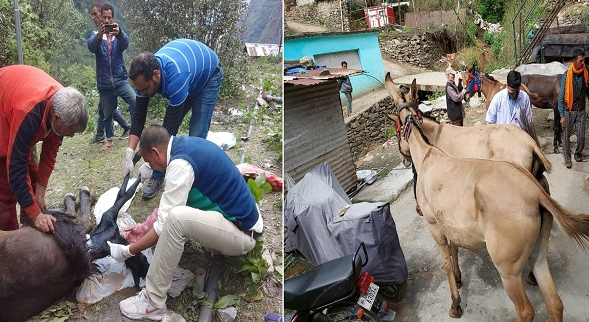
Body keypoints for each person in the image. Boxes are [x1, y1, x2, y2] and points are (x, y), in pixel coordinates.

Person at [108, 124, 262, 320]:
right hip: (242, 219)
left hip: (244, 235)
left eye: (149, 162)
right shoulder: (184, 146)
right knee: (172, 214)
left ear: (156, 152)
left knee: (175, 220)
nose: (152, 169)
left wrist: (129, 250)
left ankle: (152, 302)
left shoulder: (180, 166)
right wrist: (149, 166)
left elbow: (164, 224)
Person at [124, 39, 223, 199]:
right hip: (190, 75)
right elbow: (139, 116)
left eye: (145, 89)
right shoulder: (143, 78)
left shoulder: (176, 76)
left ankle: (193, 182)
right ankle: (159, 177)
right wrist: (129, 152)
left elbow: (168, 130)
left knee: (196, 134)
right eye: (138, 90)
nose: (142, 94)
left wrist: (150, 163)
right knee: (166, 134)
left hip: (208, 77)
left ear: (156, 75)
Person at [0, 65, 88, 232]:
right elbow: (15, 169)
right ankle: (10, 242)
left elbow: (49, 153)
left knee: (32, 179)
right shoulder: (27, 112)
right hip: (4, 118)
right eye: (70, 132)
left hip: (16, 109)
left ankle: (28, 225)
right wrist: (35, 214)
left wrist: (39, 193)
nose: (71, 136)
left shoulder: (62, 103)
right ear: (55, 118)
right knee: (5, 197)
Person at [88, 3, 136, 152]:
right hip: (105, 83)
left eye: (109, 17)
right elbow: (91, 46)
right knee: (107, 114)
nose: (107, 20)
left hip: (120, 80)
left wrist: (120, 33)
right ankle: (109, 140)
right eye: (104, 17)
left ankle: (135, 132)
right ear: (101, 17)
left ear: (113, 18)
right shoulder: (95, 35)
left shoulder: (117, 36)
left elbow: (126, 43)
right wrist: (99, 36)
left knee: (134, 100)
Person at [558, 48, 589, 169]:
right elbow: (561, 97)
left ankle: (578, 153)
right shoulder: (567, 75)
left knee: (581, 136)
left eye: (584, 60)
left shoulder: (586, 73)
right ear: (574, 61)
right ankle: (567, 158)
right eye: (581, 61)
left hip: (581, 110)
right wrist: (561, 115)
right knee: (566, 136)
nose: (583, 63)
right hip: (568, 110)